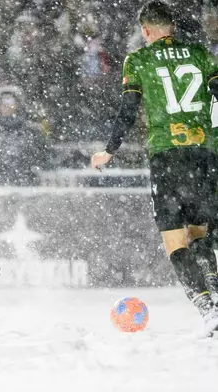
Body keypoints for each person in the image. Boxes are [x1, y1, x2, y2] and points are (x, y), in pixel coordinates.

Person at [91, 1, 218, 335]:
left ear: (145, 30)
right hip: (204, 155)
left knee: (176, 241)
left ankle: (207, 309)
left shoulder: (139, 59)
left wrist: (109, 150)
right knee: (201, 234)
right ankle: (216, 295)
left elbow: (129, 109)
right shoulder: (201, 55)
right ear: (172, 26)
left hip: (168, 156)